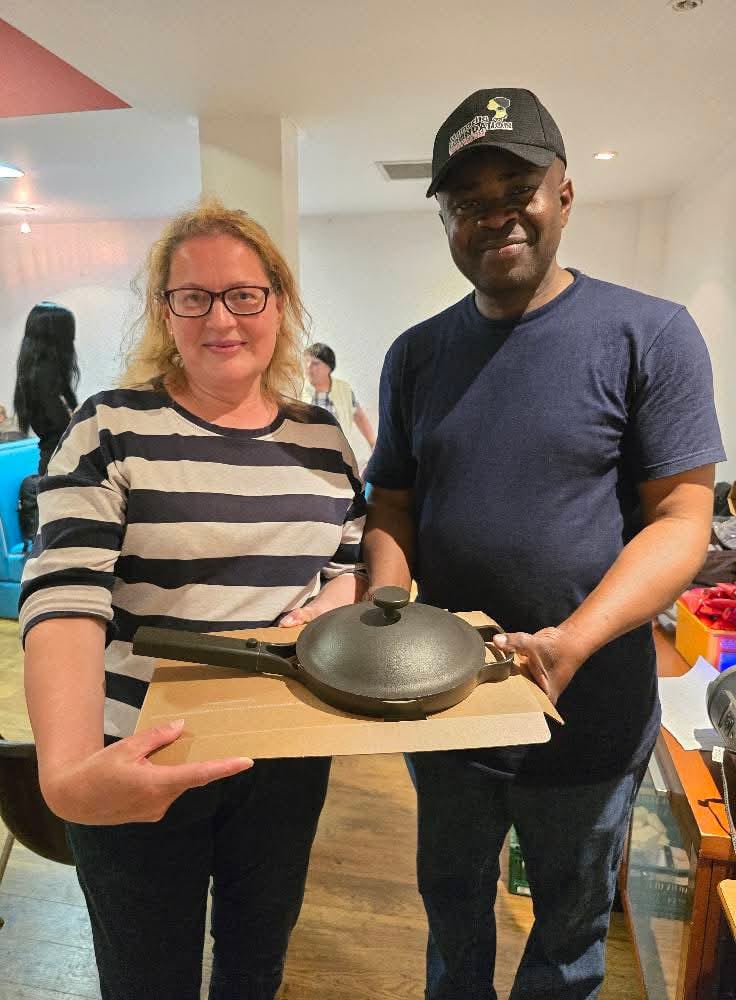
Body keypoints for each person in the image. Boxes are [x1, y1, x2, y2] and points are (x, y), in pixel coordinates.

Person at [363, 87, 725, 999]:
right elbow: (393, 506)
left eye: (516, 186)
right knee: (451, 909)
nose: (495, 214)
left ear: (563, 194)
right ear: (447, 216)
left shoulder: (650, 334)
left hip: (590, 710)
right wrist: (387, 609)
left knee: (568, 932)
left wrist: (572, 640)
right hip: (442, 706)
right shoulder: (415, 355)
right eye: (468, 199)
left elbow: (682, 521)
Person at [20, 200, 367, 1000]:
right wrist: (67, 772)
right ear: (164, 312)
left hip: (282, 753)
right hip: (140, 751)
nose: (223, 317)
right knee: (148, 979)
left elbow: (343, 563)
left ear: (279, 305)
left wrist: (320, 615)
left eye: (245, 294)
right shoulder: (109, 427)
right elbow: (66, 599)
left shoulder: (321, 438)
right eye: (194, 296)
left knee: (256, 964)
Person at [13, 301, 78, 474]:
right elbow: (62, 426)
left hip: (52, 463)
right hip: (58, 466)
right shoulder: (44, 374)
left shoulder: (34, 373)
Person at [302, 341, 376, 449]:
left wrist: (373, 444)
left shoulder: (343, 389)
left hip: (340, 454)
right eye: (307, 362)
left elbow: (359, 417)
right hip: (308, 456)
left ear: (328, 367)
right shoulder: (299, 389)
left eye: (315, 363)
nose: (309, 367)